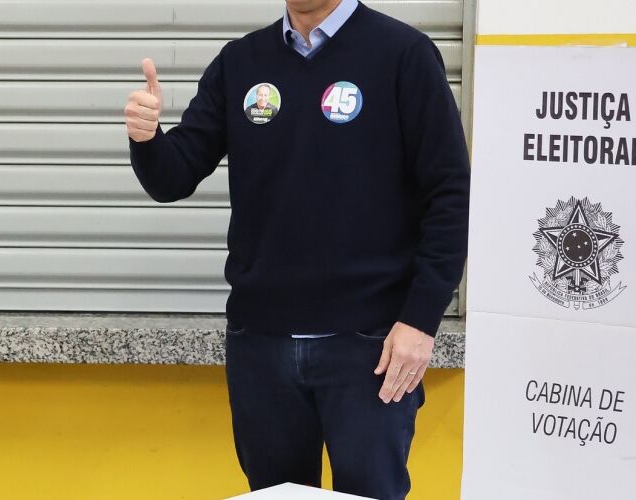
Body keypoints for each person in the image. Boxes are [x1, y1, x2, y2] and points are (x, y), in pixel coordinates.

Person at [124, 0, 470, 498]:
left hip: (369, 348)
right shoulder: (241, 62)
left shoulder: (403, 54)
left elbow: (450, 193)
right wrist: (147, 138)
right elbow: (173, 176)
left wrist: (420, 320)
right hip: (261, 345)